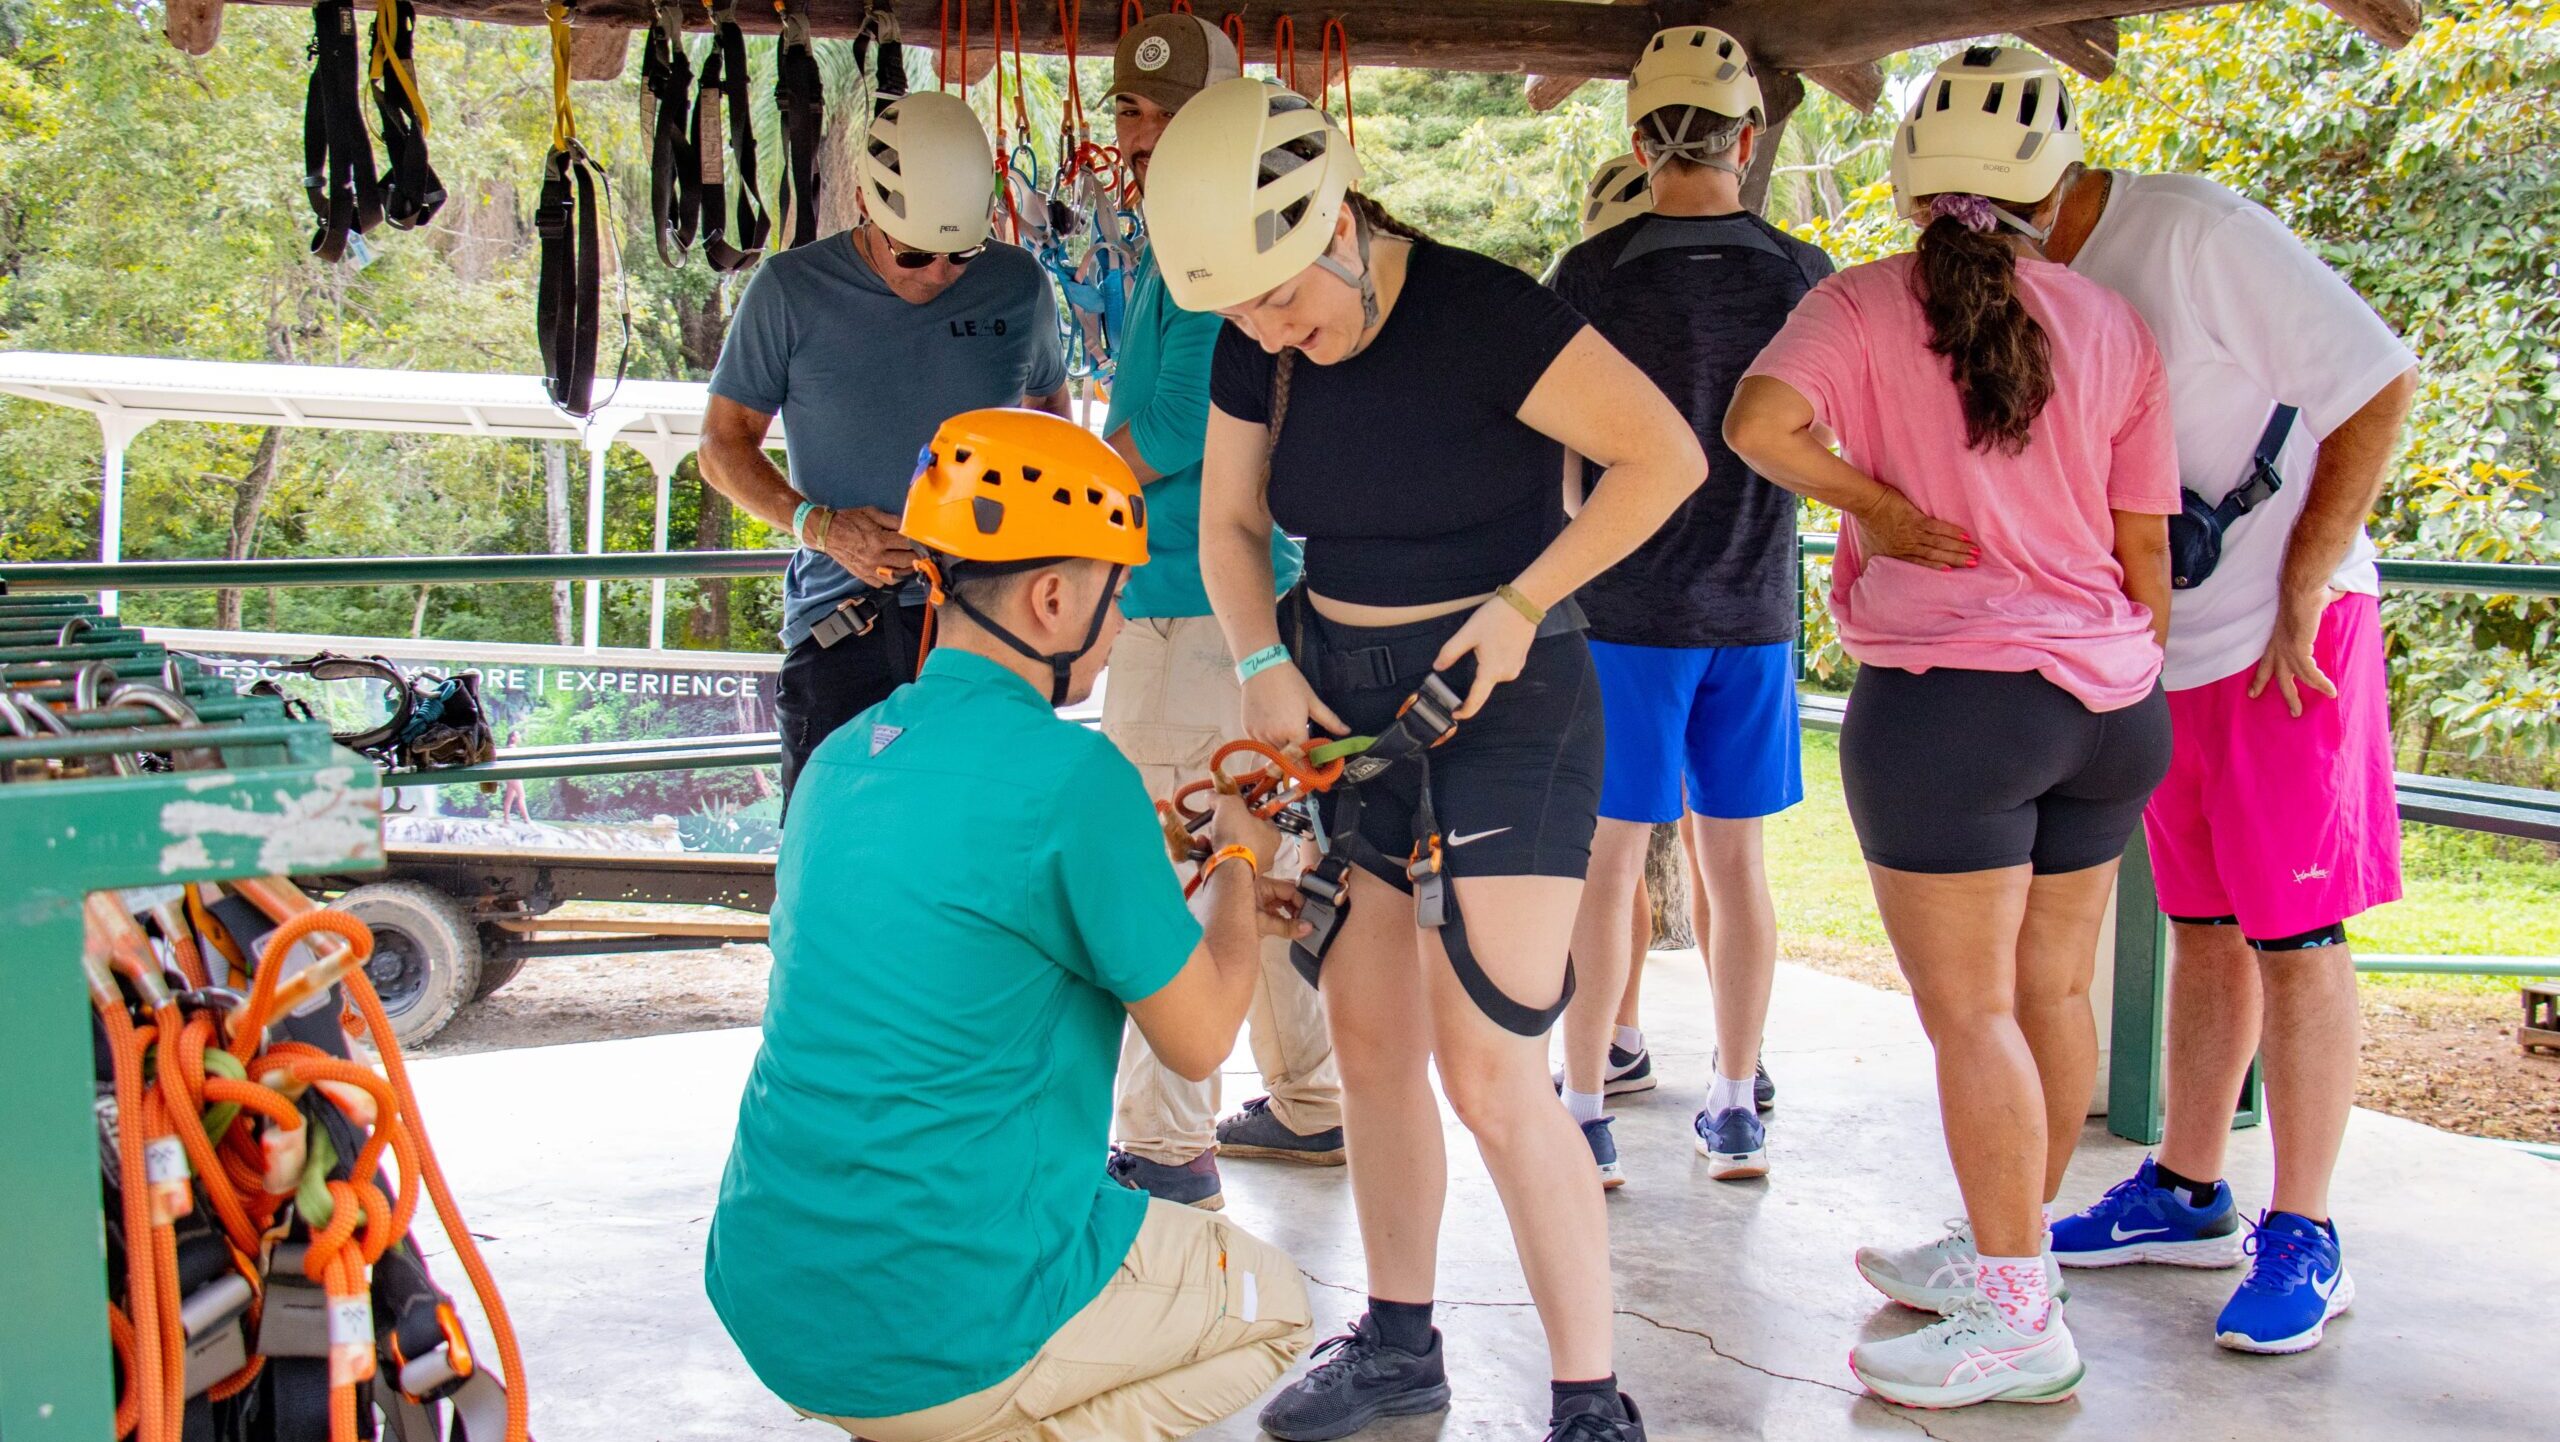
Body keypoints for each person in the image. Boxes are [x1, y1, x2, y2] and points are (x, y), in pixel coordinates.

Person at [1150, 77, 1708, 1442]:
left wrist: (1520, 605)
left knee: (1489, 1062)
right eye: (1245, 314)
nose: (1272, 332)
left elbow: (1664, 459)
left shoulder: (1485, 310)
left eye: (1286, 299)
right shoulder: (1256, 336)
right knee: (1372, 1035)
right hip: (1340, 697)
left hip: (1510, 697)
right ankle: (1400, 1342)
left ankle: (1590, 1400)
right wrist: (1262, 662)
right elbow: (1229, 524)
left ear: (1342, 219)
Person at [705, 408, 1314, 1442]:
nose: (1120, 623)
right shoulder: (1077, 778)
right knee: (1277, 1309)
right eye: (1115, 594)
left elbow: (990, 911)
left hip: (769, 1289)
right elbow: (1202, 1035)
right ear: (1051, 596)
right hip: (941, 1318)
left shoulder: (848, 752)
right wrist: (1243, 850)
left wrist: (1195, 875)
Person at [1724, 47, 2178, 1409]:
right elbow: (2142, 542)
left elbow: (1756, 424)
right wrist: (2120, 651)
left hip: (1954, 713)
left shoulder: (1866, 303)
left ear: (1914, 171)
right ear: (2048, 183)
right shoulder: (2109, 320)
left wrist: (1880, 505)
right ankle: (2008, 1251)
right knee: (2044, 996)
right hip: (2111, 705)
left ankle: (2019, 1316)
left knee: (1974, 1014)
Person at [2036, 115, 2419, 1355]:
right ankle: (2187, 1186)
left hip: (2284, 639)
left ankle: (2304, 1226)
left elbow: (2377, 379)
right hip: (2165, 638)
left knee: (2296, 932)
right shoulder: (2022, 272)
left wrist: (2305, 580)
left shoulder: (2189, 227)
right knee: (2203, 922)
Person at [1547, 26, 1832, 1187]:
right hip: (1754, 605)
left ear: (1637, 140)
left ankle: (1581, 1107)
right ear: (1746, 137)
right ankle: (1732, 1101)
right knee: (1737, 864)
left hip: (1621, 608)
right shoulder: (1801, 273)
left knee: (1604, 862)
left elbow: (1558, 459)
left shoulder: (1592, 275)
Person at [1095, 13, 1347, 1213]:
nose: (1126, 130)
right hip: (1206, 601)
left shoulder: (1209, 241)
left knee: (1170, 863)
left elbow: (1181, 426)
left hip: (1191, 603)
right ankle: (1311, 1103)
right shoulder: (1177, 233)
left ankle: (1162, 1139)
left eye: (1147, 113)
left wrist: (1068, 487)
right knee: (1252, 854)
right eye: (1126, 111)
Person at [698, 91, 1069, 811]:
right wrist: (822, 528)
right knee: (835, 860)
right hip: (844, 628)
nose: (938, 275)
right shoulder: (790, 290)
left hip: (984, 630)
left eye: (961, 253)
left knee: (980, 860)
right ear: (867, 203)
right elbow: (721, 446)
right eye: (915, 253)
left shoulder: (1018, 284)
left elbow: (1051, 424)